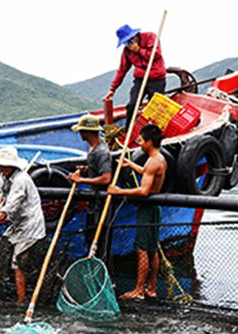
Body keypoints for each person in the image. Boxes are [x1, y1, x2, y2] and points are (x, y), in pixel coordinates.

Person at [107, 124, 167, 300]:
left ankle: (139, 290)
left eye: (141, 140)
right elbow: (147, 173)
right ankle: (151, 288)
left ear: (149, 142)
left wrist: (119, 191)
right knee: (153, 250)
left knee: (142, 249)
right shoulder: (159, 158)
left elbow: (143, 191)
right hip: (156, 208)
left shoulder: (153, 161)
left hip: (147, 208)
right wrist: (130, 164)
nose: (139, 144)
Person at [0, 146, 46, 305]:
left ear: (14, 165)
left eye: (6, 165)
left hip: (30, 225)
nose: (3, 168)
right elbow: (3, 196)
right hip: (17, 223)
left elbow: (10, 207)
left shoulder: (21, 181)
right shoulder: (3, 176)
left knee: (18, 261)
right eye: (1, 165)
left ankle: (21, 300)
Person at [67, 114, 113, 269]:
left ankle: (106, 277)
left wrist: (81, 181)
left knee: (102, 243)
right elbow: (96, 171)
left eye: (81, 131)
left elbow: (106, 178)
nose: (80, 134)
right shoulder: (92, 147)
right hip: (93, 201)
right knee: (91, 236)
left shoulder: (102, 151)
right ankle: (95, 270)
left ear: (86, 131)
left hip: (102, 202)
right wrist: (86, 170)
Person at [102, 24, 166, 129]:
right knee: (132, 104)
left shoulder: (150, 37)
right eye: (125, 42)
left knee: (157, 108)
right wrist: (113, 88)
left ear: (135, 36)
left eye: (129, 40)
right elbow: (122, 70)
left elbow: (156, 55)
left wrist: (139, 50)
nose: (128, 44)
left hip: (156, 79)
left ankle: (158, 132)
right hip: (140, 80)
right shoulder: (127, 51)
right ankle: (129, 131)